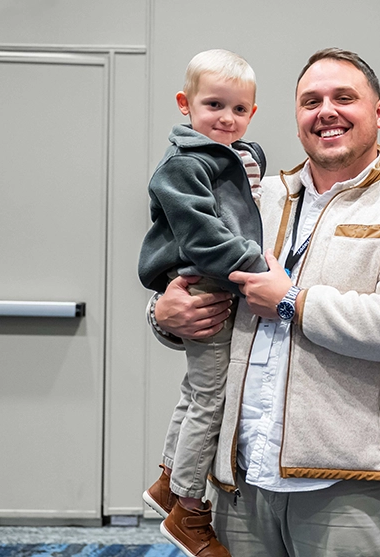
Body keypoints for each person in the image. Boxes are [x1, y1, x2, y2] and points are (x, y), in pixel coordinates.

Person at [146, 47, 380, 557]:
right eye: (310, 101)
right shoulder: (256, 196)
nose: (326, 111)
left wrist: (293, 300)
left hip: (348, 485)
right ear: (296, 120)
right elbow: (192, 275)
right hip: (238, 479)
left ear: (379, 113)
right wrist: (164, 315)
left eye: (344, 97)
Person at [138, 48, 267, 557]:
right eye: (214, 105)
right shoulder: (183, 165)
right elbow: (203, 237)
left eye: (239, 109)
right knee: (212, 400)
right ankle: (189, 509)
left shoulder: (241, 155)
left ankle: (169, 479)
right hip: (207, 284)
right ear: (184, 104)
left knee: (197, 391)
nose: (226, 118)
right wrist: (257, 270)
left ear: (252, 113)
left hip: (220, 282)